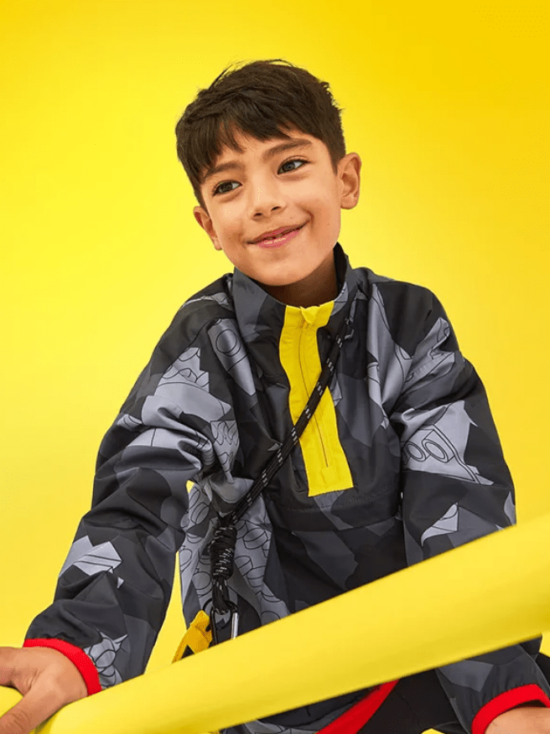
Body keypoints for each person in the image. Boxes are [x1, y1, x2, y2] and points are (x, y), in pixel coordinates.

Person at [0, 59, 549, 734]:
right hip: (274, 687)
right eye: (229, 185)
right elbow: (137, 500)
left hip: (425, 653)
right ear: (208, 224)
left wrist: (503, 696)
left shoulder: (408, 323)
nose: (262, 201)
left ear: (346, 180)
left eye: (289, 165)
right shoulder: (203, 344)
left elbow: (460, 508)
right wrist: (77, 649)